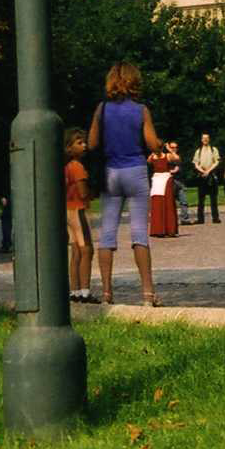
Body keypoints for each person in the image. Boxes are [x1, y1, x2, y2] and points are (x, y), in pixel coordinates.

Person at [87, 62, 164, 305]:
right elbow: (152, 145)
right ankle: (147, 294)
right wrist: (159, 143)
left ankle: (107, 292)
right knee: (140, 233)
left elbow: (91, 143)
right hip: (136, 172)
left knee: (107, 234)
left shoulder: (102, 109)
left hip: (111, 172)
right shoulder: (141, 110)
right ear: (134, 81)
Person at [63, 130, 94, 300]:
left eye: (84, 142)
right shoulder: (77, 167)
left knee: (75, 252)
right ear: (69, 147)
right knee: (86, 250)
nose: (84, 146)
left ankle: (74, 291)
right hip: (78, 209)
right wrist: (91, 193)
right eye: (79, 143)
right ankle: (85, 291)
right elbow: (82, 192)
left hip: (67, 210)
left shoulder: (66, 167)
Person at [147, 140, 181, 238]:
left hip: (166, 180)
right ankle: (158, 229)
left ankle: (170, 229)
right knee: (157, 204)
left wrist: (170, 150)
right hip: (157, 180)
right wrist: (152, 152)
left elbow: (178, 159)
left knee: (168, 204)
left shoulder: (167, 156)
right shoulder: (152, 157)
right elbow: (148, 162)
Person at [193, 132, 223, 224]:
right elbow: (195, 164)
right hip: (202, 176)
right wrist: (203, 172)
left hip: (212, 175)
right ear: (201, 140)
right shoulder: (198, 151)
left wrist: (208, 171)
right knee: (201, 199)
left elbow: (217, 162)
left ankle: (215, 218)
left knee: (213, 198)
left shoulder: (214, 150)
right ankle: (200, 219)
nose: (205, 140)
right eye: (203, 138)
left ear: (209, 139)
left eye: (207, 138)